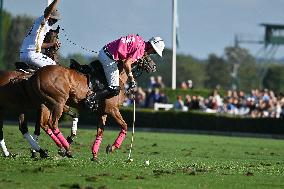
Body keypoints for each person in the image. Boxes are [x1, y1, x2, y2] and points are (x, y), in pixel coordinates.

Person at [86, 34, 165, 109]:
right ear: (151, 46)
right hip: (109, 58)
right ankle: (91, 98)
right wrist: (131, 79)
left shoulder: (139, 39)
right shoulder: (140, 50)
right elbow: (127, 64)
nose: (152, 53)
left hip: (105, 50)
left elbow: (125, 51)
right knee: (115, 89)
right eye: (154, 51)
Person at [20, 0, 61, 68]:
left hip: (24, 54)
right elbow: (49, 11)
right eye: (54, 20)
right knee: (54, 67)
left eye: (56, 20)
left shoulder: (40, 28)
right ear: (49, 17)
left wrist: (52, 44)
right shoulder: (43, 21)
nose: (54, 22)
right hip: (32, 55)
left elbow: (39, 46)